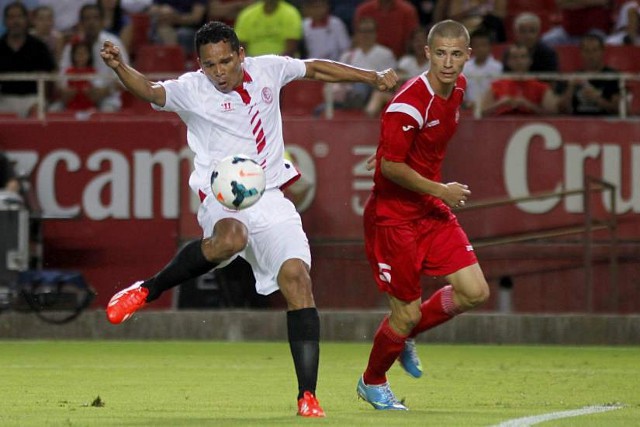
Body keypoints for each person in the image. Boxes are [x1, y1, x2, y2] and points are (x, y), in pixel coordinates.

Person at [100, 20, 397, 417]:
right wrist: (121, 67)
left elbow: (316, 68)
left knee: (297, 280)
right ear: (200, 64)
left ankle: (307, 396)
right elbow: (150, 90)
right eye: (210, 65)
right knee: (231, 239)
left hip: (270, 194)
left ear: (240, 54)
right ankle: (146, 291)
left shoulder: (269, 69)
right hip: (224, 196)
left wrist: (372, 76)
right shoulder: (192, 89)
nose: (219, 72)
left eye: (225, 61)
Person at [356, 19, 489, 411]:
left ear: (468, 56)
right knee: (405, 312)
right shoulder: (410, 102)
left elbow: (404, 152)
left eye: (456, 54)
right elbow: (395, 169)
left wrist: (386, 152)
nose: (448, 63)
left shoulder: (459, 87)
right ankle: (372, 381)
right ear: (426, 54)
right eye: (441, 53)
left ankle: (407, 334)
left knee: (474, 291)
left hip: (428, 210)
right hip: (393, 218)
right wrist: (439, 189)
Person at [60, 4, 130, 112]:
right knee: (53, 111)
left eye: (95, 18)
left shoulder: (114, 43)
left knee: (107, 110)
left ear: (102, 21)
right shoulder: (71, 46)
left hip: (107, 98)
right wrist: (67, 91)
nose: (91, 22)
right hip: (75, 98)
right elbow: (61, 77)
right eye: (87, 18)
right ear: (81, 23)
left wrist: (106, 91)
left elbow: (125, 77)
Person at [0, 2, 56, 118]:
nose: (16, 21)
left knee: (42, 112)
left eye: (19, 17)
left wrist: (42, 100)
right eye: (11, 17)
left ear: (27, 20)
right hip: (4, 99)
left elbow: (49, 77)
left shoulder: (39, 47)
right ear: (5, 21)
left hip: (33, 99)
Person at [481, 44, 558, 116]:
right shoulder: (495, 86)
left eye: (523, 57)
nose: (519, 61)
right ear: (508, 62)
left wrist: (528, 105)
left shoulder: (542, 87)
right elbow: (481, 113)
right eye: (514, 57)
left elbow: (553, 114)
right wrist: (500, 103)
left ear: (530, 61)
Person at [558, 32, 621, 115]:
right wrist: (570, 88)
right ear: (581, 53)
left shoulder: (613, 76)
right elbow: (562, 110)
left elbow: (618, 110)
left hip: (605, 124)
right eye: (586, 50)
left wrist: (597, 99)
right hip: (577, 124)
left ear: (602, 51)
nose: (591, 55)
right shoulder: (574, 77)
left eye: (595, 50)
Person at [234, 0, 303, 57]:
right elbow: (241, 46)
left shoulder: (291, 14)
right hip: (252, 62)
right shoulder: (247, 15)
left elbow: (291, 49)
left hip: (282, 62)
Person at [354, 0, 419, 59]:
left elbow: (412, 40)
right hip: (369, 57)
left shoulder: (407, 11)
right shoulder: (364, 10)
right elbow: (357, 37)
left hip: (400, 60)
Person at [463, 27, 503, 110]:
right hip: (470, 108)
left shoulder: (498, 67)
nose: (480, 49)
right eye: (477, 46)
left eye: (484, 45)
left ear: (490, 46)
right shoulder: (464, 67)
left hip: (492, 109)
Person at [542, 0, 612, 46]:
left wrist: (571, 3)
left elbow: (603, 1)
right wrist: (589, 4)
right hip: (567, 32)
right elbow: (560, 2)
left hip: (592, 32)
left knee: (599, 46)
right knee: (545, 42)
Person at [53, 41, 99, 112]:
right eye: (78, 53)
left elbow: (96, 93)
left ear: (89, 55)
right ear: (73, 56)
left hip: (90, 108)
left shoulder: (94, 72)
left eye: (84, 53)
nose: (81, 56)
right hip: (71, 107)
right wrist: (68, 92)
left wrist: (90, 92)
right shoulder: (68, 72)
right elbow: (63, 93)